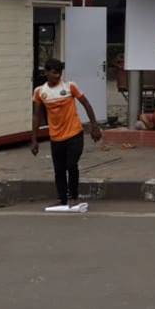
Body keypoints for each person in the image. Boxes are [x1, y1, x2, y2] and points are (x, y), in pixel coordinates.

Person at [30, 58, 102, 212]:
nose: (57, 76)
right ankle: (62, 199)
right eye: (54, 73)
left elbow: (86, 104)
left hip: (75, 134)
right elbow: (36, 116)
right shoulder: (40, 92)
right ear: (46, 73)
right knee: (59, 169)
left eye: (59, 73)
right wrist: (34, 139)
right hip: (56, 137)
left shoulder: (70, 87)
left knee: (71, 165)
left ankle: (74, 196)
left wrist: (94, 126)